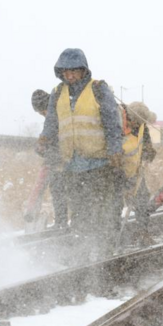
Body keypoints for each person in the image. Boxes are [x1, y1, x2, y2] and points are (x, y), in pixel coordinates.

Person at [37, 48, 125, 259]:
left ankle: (106, 251)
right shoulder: (58, 94)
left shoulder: (98, 89)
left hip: (100, 163)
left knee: (104, 210)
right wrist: (44, 138)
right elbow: (52, 123)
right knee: (79, 211)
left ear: (83, 70)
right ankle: (82, 252)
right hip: (73, 165)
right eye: (65, 72)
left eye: (74, 71)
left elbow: (112, 123)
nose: (70, 75)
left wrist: (114, 150)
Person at [31, 89, 69, 228]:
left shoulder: (61, 116)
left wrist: (51, 153)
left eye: (43, 111)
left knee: (70, 192)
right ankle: (61, 222)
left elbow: (63, 141)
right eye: (40, 113)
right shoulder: (50, 120)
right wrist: (42, 149)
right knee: (57, 190)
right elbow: (48, 140)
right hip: (57, 163)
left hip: (68, 163)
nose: (43, 115)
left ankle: (69, 223)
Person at [121, 101, 157, 246]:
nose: (138, 126)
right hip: (116, 170)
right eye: (136, 122)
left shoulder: (142, 127)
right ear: (130, 118)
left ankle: (143, 232)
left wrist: (149, 152)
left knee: (142, 199)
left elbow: (146, 144)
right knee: (114, 204)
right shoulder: (117, 122)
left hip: (134, 171)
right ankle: (113, 237)